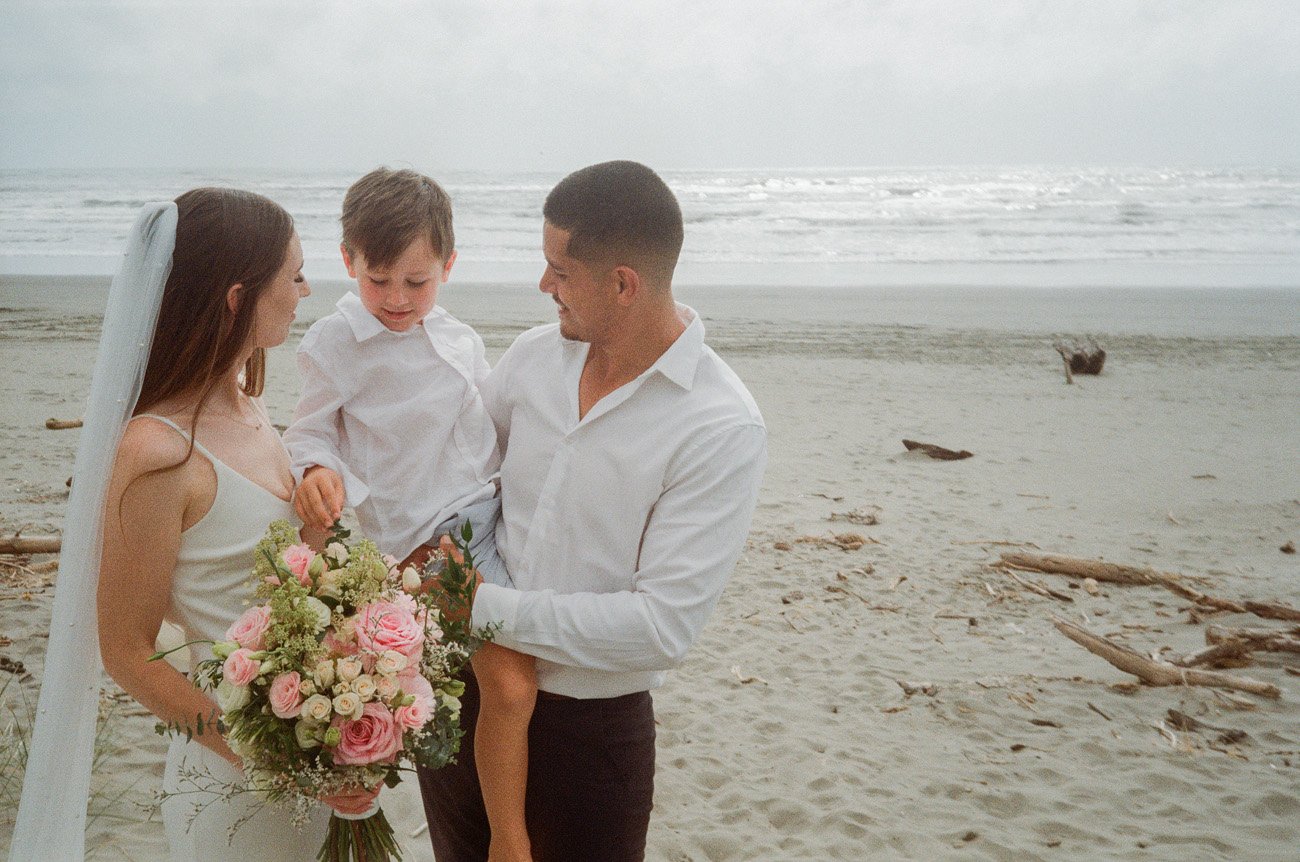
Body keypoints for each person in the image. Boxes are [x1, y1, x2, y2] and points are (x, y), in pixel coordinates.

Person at [9, 187, 373, 861]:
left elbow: (267, 578)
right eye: (292, 275)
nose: (306, 289)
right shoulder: (157, 452)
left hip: (313, 749)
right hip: (236, 777)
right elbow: (126, 650)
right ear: (237, 299)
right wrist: (270, 756)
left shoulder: (252, 404)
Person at [418, 161, 767, 861]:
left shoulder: (720, 425)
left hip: (591, 738)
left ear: (623, 284)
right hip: (464, 697)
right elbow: (460, 484)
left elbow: (661, 628)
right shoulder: (530, 358)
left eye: (560, 271)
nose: (543, 286)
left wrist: (480, 607)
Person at [283, 167, 537, 862]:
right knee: (508, 684)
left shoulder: (458, 335)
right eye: (379, 280)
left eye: (417, 282)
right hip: (423, 537)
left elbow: (489, 421)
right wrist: (316, 469)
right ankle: (508, 839)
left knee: (518, 677)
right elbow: (309, 431)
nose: (397, 299)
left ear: (448, 268)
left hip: (492, 512)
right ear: (349, 262)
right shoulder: (334, 343)